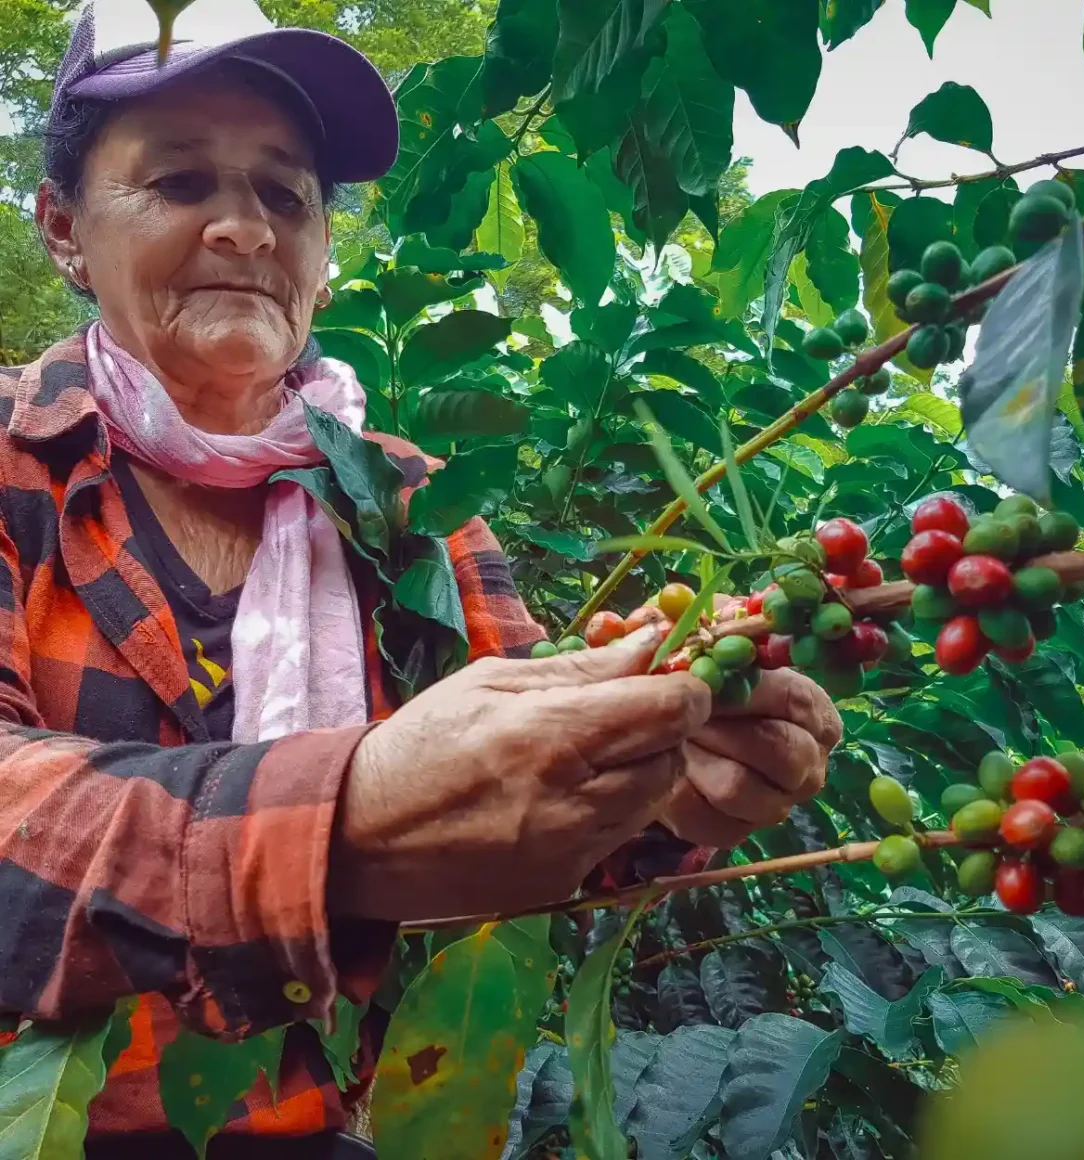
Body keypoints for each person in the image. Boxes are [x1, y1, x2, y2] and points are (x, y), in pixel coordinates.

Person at [0, 0, 842, 1156]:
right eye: (181, 183)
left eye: (285, 195)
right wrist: (346, 814)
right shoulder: (12, 457)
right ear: (62, 228)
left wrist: (662, 780)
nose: (244, 228)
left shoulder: (407, 501)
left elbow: (517, 826)